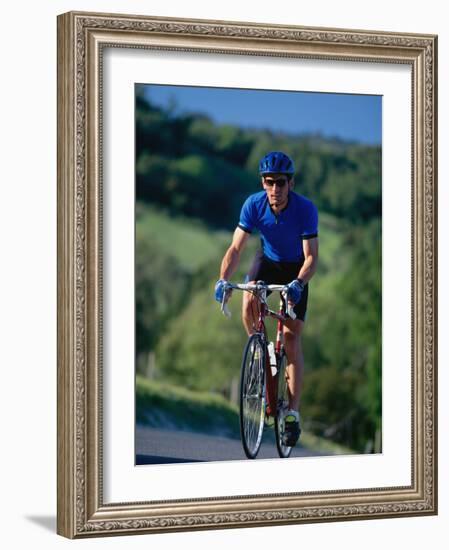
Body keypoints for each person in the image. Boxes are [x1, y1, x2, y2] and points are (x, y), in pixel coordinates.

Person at [214, 151, 319, 447]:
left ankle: (292, 416)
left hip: (296, 268)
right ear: (263, 183)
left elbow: (312, 257)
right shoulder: (253, 205)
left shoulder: (305, 209)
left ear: (291, 183)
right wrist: (223, 279)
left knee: (290, 337)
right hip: (268, 261)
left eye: (281, 183)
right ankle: (259, 350)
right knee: (249, 299)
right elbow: (235, 249)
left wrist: (298, 283)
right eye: (270, 182)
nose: (276, 189)